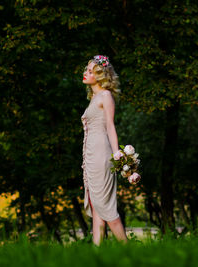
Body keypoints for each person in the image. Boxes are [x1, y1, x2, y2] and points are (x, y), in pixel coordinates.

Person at [81, 55, 128, 245]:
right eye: (86, 69)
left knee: (106, 207)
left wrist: (117, 154)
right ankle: (96, 255)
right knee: (97, 209)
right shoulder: (93, 98)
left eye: (91, 71)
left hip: (101, 155)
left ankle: (130, 251)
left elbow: (110, 126)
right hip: (90, 155)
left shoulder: (105, 96)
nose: (86, 73)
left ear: (100, 75)